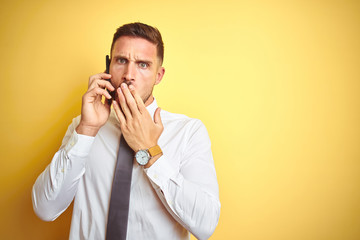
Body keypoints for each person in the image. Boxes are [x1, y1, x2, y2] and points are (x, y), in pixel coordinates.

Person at [32, 22, 220, 240]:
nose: (129, 75)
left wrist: (149, 151)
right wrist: (87, 129)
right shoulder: (82, 126)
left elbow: (206, 225)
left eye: (142, 64)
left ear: (159, 75)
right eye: (121, 61)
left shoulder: (188, 131)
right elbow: (45, 209)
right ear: (108, 67)